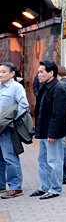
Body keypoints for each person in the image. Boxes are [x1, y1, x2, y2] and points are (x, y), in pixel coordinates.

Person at [31, 61, 66, 200]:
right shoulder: (45, 86)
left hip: (52, 133)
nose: (39, 74)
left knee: (54, 160)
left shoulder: (57, 88)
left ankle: (55, 188)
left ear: (51, 73)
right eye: (38, 71)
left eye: (41, 72)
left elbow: (58, 114)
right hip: (45, 131)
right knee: (43, 160)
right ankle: (44, 187)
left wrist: (52, 133)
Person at [0, 62, 29, 199]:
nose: (0, 74)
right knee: (0, 158)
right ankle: (1, 185)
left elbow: (24, 105)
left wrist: (11, 120)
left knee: (10, 157)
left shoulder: (16, 87)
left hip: (7, 128)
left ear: (12, 74)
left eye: (4, 72)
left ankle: (15, 187)